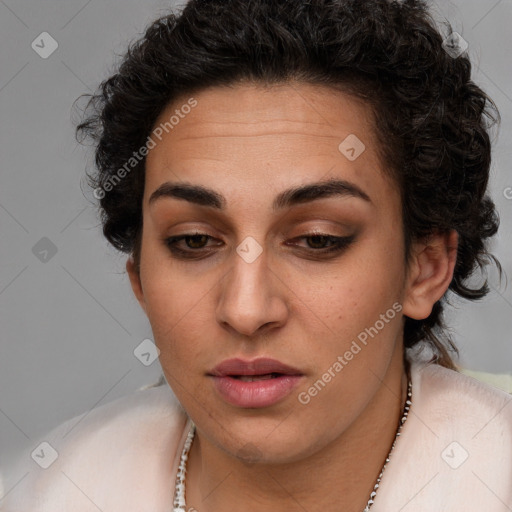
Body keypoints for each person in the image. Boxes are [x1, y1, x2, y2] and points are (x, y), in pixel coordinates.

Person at [2, 0, 511, 510]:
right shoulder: (43, 493)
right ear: (139, 279)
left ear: (425, 269)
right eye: (194, 240)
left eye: (317, 239)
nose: (246, 311)